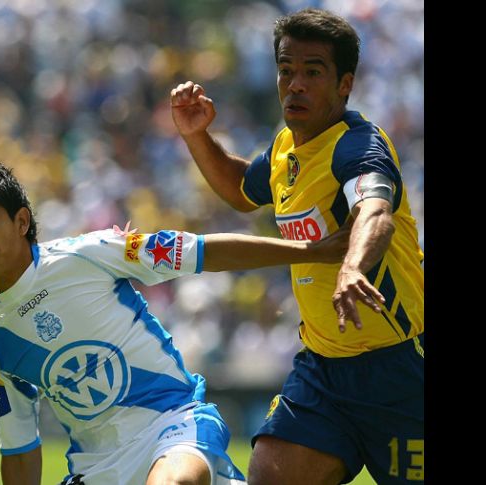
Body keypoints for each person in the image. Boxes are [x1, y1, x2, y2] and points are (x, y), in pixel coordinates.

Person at [0, 155, 347, 485]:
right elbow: (18, 445)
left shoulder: (90, 254)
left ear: (22, 222)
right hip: (96, 468)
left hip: (173, 426)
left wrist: (313, 249)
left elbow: (205, 254)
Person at [170, 8, 423, 485]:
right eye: (287, 70)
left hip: (402, 369)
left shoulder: (357, 146)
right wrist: (197, 136)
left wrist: (353, 267)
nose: (295, 84)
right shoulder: (288, 147)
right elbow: (242, 189)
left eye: (312, 72)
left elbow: (376, 212)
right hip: (323, 372)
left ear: (344, 84)